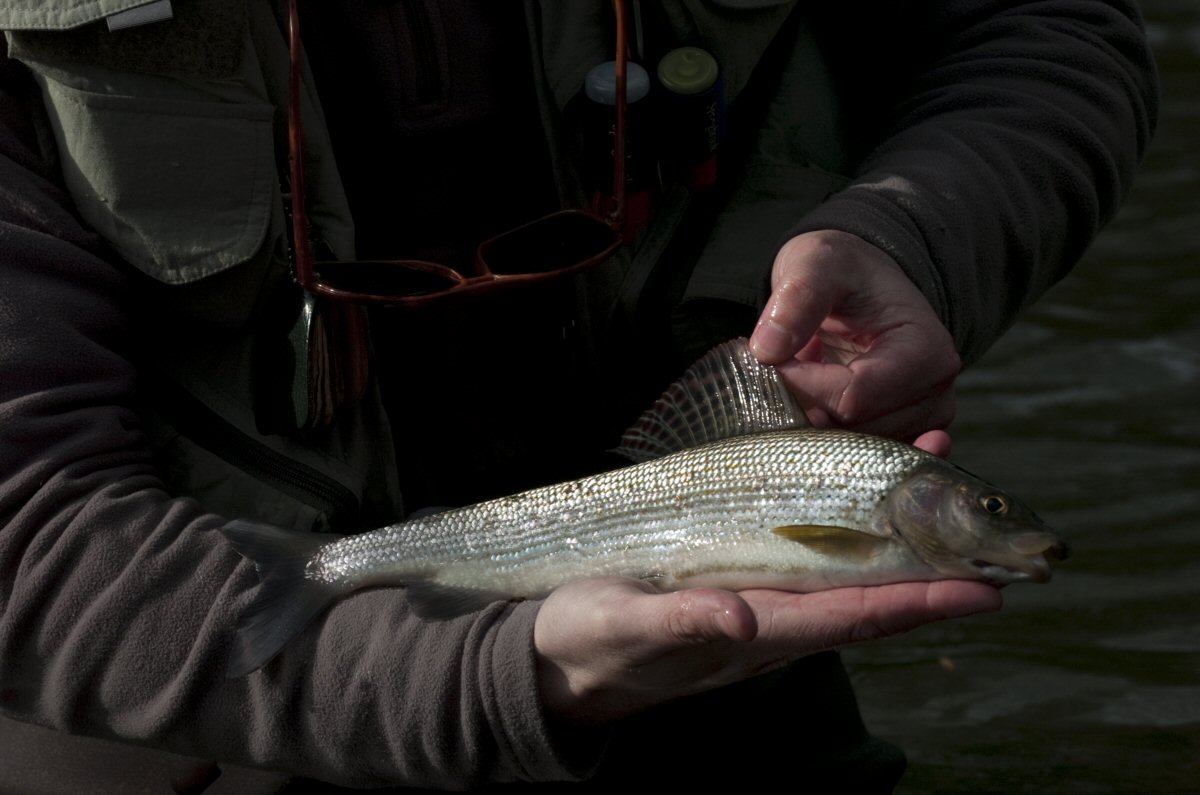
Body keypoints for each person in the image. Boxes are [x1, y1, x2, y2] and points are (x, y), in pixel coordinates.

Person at [0, 0, 1156, 792]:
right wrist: (508, 678)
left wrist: (915, 235)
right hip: (195, 731)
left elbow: (1034, 31)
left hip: (735, 707)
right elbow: (22, 528)